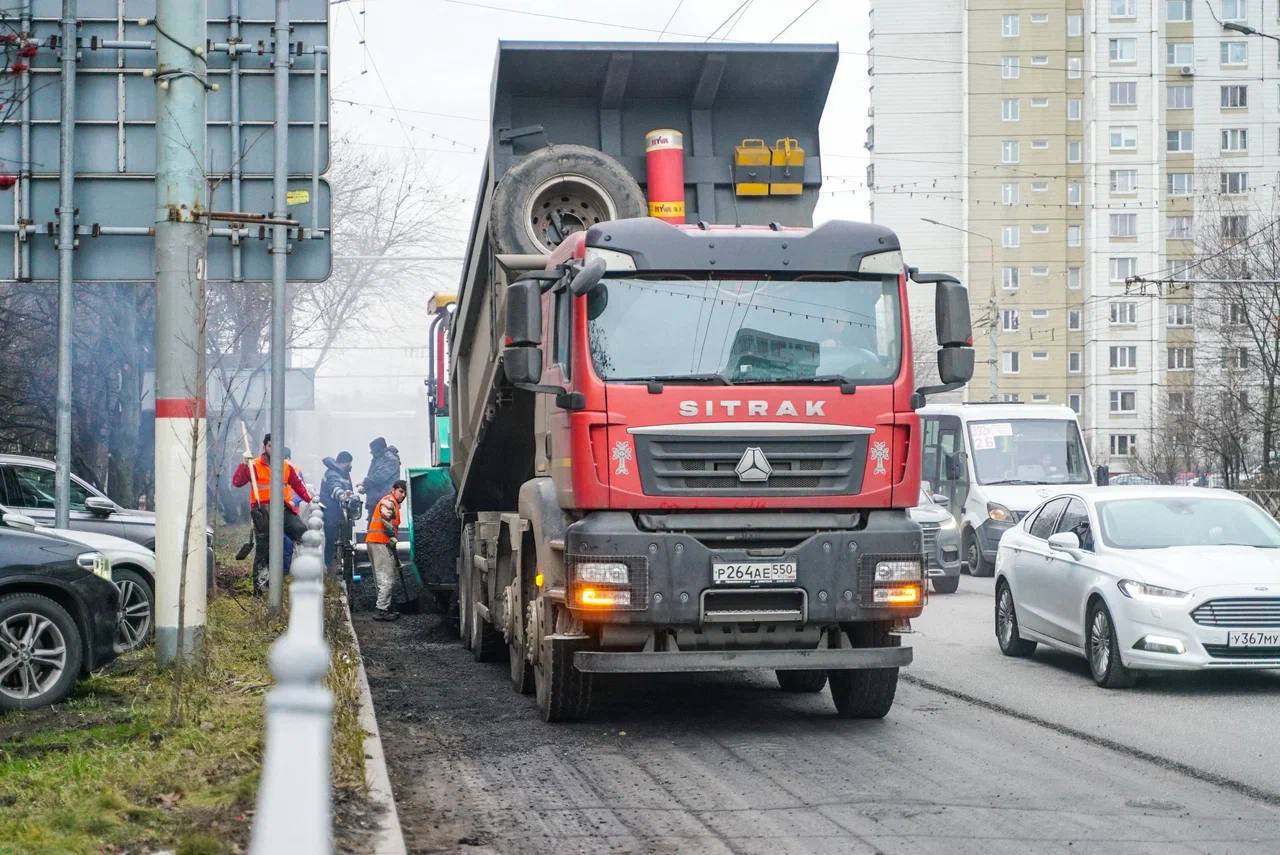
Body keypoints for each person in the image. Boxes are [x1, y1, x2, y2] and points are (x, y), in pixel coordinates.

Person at [232, 433, 312, 594]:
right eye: (270, 446)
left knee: (303, 534)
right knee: (264, 549)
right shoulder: (253, 465)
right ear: (265, 446)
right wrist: (243, 464)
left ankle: (306, 574)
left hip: (281, 508)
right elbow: (237, 482)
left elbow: (298, 485)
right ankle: (260, 588)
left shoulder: (286, 466)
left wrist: (310, 499)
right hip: (262, 511)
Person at [366, 479, 407, 621]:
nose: (402, 495)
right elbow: (385, 514)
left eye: (404, 493)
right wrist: (390, 533)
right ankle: (381, 610)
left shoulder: (393, 503)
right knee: (387, 578)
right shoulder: (388, 501)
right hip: (379, 542)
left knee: (382, 577)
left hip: (377, 542)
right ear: (393, 490)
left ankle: (385, 607)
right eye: (401, 491)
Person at [320, 451, 356, 569]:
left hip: (341, 513)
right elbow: (334, 488)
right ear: (345, 463)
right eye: (349, 464)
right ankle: (330, 568)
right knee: (331, 540)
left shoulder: (344, 474)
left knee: (344, 542)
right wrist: (342, 495)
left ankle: (341, 566)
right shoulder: (332, 474)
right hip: (331, 513)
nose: (350, 467)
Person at [361, 437, 401, 519]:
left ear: (378, 450)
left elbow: (379, 477)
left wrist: (364, 484)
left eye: (373, 451)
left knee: (383, 529)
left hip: (384, 502)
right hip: (376, 501)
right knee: (374, 529)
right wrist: (365, 487)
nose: (372, 453)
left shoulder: (390, 459)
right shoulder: (378, 459)